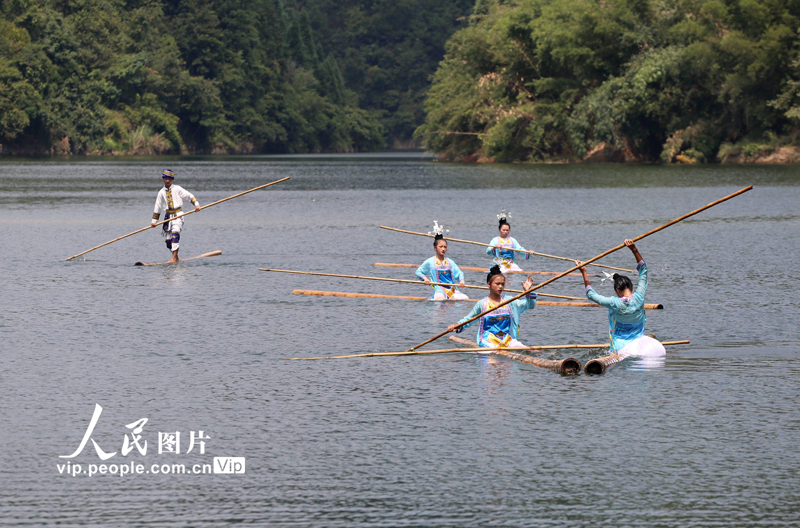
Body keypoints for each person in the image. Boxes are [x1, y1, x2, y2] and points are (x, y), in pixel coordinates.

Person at [575, 240, 665, 357]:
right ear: (631, 286)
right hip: (639, 339)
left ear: (617, 290)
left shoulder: (614, 303)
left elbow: (591, 294)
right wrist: (633, 249)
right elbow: (643, 270)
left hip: (621, 346)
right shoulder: (640, 296)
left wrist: (584, 272)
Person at [447, 265, 537, 347]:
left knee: (529, 350)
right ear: (489, 284)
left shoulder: (510, 301)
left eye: (502, 284)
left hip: (507, 340)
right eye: (497, 284)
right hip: (489, 341)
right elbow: (469, 319)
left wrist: (527, 292)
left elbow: (530, 305)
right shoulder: (482, 304)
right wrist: (456, 325)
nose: (500, 286)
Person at [150, 169, 201, 263]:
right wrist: (154, 221)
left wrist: (196, 205)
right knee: (168, 242)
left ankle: (174, 258)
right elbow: (157, 206)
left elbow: (189, 196)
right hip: (168, 217)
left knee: (175, 235)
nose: (168, 180)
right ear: (163, 179)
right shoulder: (161, 192)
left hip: (178, 215)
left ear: (172, 179)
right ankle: (176, 257)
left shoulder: (177, 189)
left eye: (169, 178)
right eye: (166, 178)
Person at [416, 235, 469, 301]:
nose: (443, 249)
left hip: (452, 290)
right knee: (440, 299)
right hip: (439, 290)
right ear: (435, 248)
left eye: (445, 247)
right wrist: (425, 279)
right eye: (440, 247)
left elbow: (459, 273)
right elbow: (419, 272)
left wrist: (462, 281)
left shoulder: (450, 262)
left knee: (466, 298)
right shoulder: (430, 262)